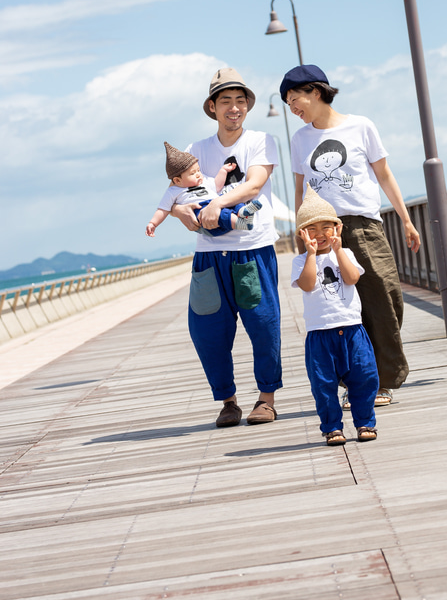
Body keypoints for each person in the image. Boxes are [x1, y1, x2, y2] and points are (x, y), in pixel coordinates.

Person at [280, 63, 421, 409]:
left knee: (385, 299)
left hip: (364, 225)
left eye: (294, 98)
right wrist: (303, 237)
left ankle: (383, 374)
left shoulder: (361, 126)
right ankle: (366, 382)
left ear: (315, 91)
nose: (292, 108)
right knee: (339, 309)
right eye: (286, 103)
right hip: (322, 230)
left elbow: (384, 175)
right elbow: (300, 190)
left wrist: (405, 220)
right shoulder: (300, 140)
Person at [171, 67, 282, 428]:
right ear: (213, 108)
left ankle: (266, 399)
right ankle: (228, 402)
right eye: (225, 102)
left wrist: (218, 203)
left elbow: (254, 184)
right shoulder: (196, 150)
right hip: (208, 257)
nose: (233, 108)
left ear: (247, 106)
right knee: (207, 332)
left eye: (239, 101)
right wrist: (181, 213)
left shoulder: (261, 141)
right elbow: (178, 195)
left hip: (251, 249)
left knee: (264, 325)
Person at [292, 184, 378, 446]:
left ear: (336, 228)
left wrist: (339, 250)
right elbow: (307, 284)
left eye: (325, 228)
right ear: (302, 234)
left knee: (365, 376)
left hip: (352, 329)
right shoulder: (300, 261)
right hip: (320, 333)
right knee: (323, 384)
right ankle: (332, 427)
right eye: (312, 230)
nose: (319, 235)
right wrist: (309, 253)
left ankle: (365, 422)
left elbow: (352, 278)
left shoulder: (347, 254)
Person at [146, 142, 262, 238]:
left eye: (198, 170)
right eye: (192, 173)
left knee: (229, 197)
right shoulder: (173, 191)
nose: (198, 175)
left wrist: (223, 171)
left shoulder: (204, 181)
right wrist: (153, 223)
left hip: (216, 203)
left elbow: (217, 185)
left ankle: (243, 211)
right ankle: (242, 223)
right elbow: (163, 209)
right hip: (202, 215)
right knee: (222, 213)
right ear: (177, 180)